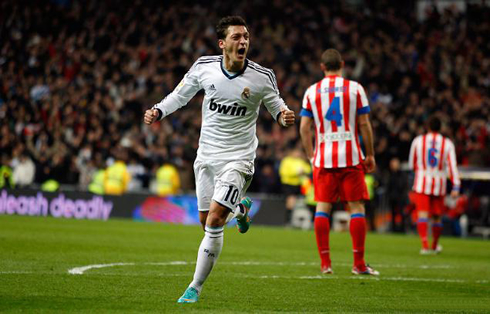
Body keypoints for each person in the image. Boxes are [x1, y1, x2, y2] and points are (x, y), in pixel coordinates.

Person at [143, 16, 295, 303]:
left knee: (214, 220)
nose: (243, 41)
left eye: (246, 36)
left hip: (239, 158)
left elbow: (278, 107)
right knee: (205, 222)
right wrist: (158, 110)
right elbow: (180, 96)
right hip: (207, 156)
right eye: (237, 37)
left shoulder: (262, 76)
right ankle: (241, 209)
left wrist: (285, 116)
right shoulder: (204, 67)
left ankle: (194, 288)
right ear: (222, 43)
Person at [299, 48, 379, 276]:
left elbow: (304, 127)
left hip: (323, 157)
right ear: (342, 64)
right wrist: (370, 154)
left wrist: (310, 154)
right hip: (351, 156)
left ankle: (325, 264)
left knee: (323, 207)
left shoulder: (311, 91)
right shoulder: (355, 89)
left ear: (322, 67)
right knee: (356, 207)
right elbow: (364, 124)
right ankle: (358, 263)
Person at [408, 116, 460, 254]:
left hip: (421, 182)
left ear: (427, 127)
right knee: (437, 216)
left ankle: (425, 246)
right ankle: (435, 245)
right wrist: (455, 186)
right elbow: (452, 166)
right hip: (439, 183)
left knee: (422, 215)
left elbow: (412, 163)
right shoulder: (447, 143)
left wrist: (421, 171)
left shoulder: (418, 141)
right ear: (440, 128)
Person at [279, 146, 312, 225]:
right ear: (292, 152)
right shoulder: (286, 161)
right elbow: (283, 172)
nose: (297, 154)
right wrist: (296, 173)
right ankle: (288, 220)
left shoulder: (300, 161)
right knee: (290, 202)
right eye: (296, 152)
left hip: (298, 185)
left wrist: (304, 171)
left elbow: (308, 169)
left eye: (298, 152)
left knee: (299, 202)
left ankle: (297, 221)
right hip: (288, 184)